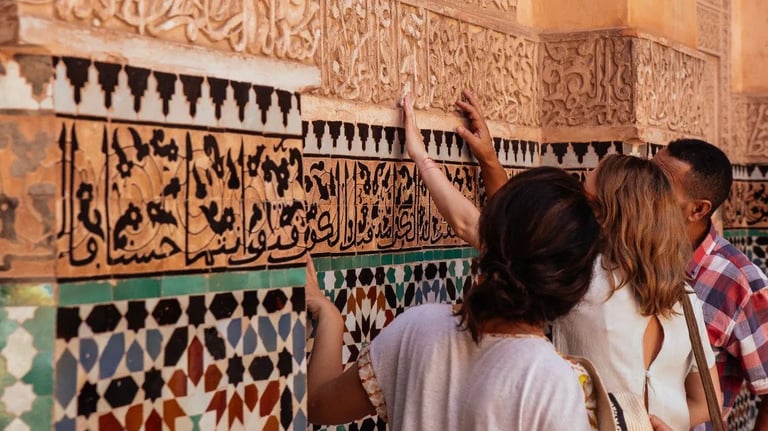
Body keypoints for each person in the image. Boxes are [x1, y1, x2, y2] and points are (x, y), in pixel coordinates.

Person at [444, 90, 721, 428]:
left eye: (587, 201)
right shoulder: (683, 295)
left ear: (609, 214)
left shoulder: (581, 278)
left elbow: (506, 232)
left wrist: (441, 159)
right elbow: (708, 401)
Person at [306, 150, 603, 428]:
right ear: (575, 283)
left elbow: (320, 405)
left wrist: (329, 316)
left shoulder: (417, 328)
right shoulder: (553, 383)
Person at [654, 140, 768, 430]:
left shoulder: (739, 282)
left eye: (660, 186)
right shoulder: (629, 257)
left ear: (697, 209)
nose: (644, 191)